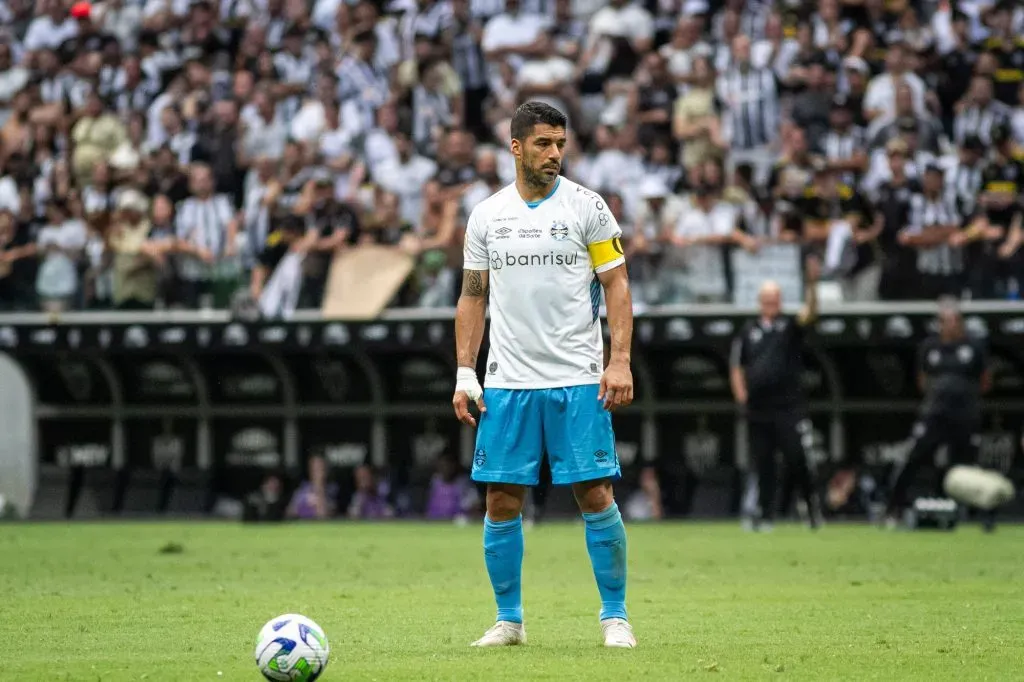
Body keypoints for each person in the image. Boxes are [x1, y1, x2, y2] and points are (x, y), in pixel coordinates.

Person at [453, 101, 636, 649]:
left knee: (595, 494)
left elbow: (618, 285)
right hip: (507, 382)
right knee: (502, 501)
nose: (555, 154)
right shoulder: (486, 215)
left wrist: (619, 359)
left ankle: (615, 617)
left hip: (578, 378)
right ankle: (509, 621)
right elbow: (471, 296)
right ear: (516, 147)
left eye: (560, 144)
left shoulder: (590, 208)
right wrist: (465, 371)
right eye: (543, 144)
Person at [729, 255, 824, 532]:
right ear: (761, 302)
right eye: (767, 299)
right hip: (759, 408)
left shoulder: (790, 327)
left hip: (789, 407)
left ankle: (811, 508)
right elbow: (737, 366)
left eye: (776, 299)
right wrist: (741, 396)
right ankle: (765, 514)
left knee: (798, 457)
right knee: (764, 463)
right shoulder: (748, 331)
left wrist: (813, 284)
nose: (772, 304)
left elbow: (811, 313)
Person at [886, 298, 991, 528]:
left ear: (960, 322)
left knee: (966, 465)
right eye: (945, 320)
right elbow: (922, 380)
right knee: (913, 457)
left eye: (954, 320)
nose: (950, 324)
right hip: (934, 414)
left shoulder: (974, 346)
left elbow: (985, 380)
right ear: (939, 323)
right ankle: (894, 509)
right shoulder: (929, 347)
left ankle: (974, 516)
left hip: (965, 415)